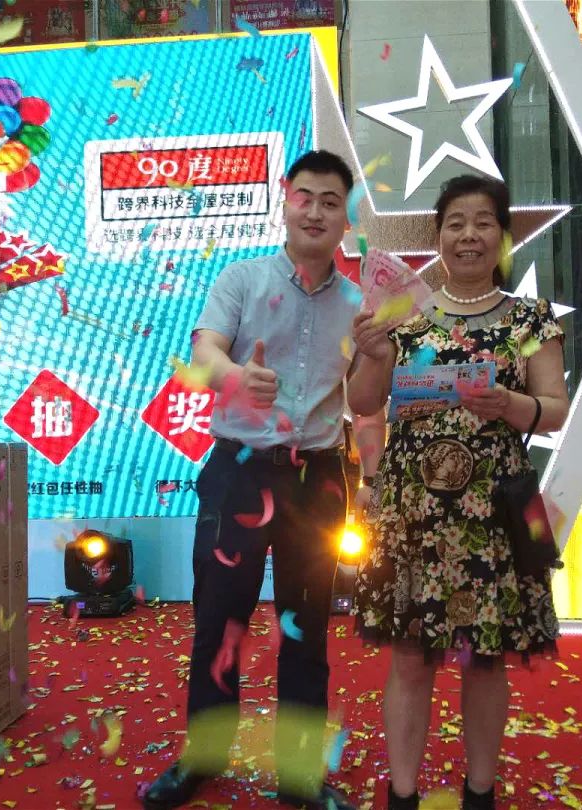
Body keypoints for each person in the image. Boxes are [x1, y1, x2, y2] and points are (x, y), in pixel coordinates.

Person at [143, 150, 383, 810]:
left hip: (317, 481)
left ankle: (300, 775)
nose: (316, 211)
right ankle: (203, 757)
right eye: (305, 197)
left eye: (331, 202)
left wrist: (379, 357)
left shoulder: (360, 306)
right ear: (285, 203)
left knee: (306, 627)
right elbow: (203, 355)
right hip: (240, 474)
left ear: (345, 219)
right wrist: (235, 378)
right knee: (219, 620)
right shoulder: (241, 279)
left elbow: (366, 402)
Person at [347, 174, 570, 810]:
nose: (469, 235)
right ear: (439, 234)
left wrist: (509, 404)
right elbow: (363, 403)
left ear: (503, 236)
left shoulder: (531, 319)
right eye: (455, 223)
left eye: (483, 222)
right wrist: (372, 355)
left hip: (492, 515)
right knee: (410, 658)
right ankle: (403, 795)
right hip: (412, 514)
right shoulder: (403, 315)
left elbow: (554, 408)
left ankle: (479, 793)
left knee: (485, 659)